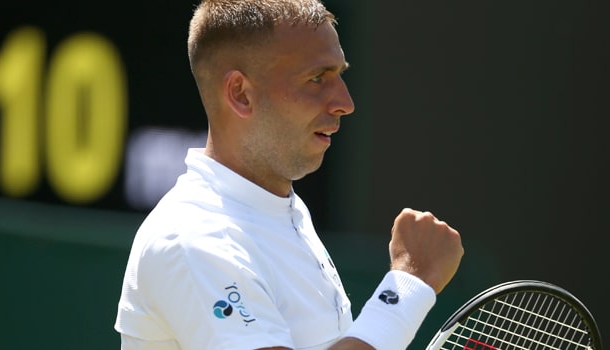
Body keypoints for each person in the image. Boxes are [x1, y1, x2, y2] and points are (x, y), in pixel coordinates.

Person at [114, 0, 464, 349]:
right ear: (241, 94)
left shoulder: (281, 210)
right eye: (316, 79)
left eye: (340, 74)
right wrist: (408, 282)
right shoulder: (192, 238)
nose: (345, 101)